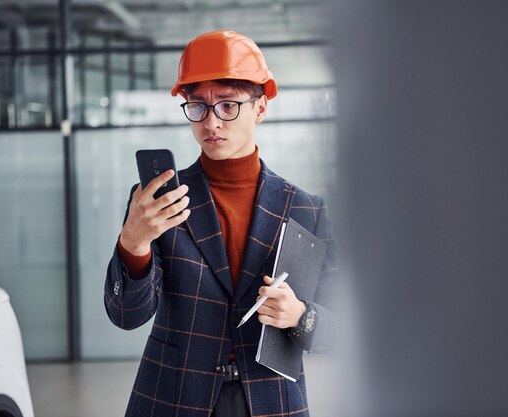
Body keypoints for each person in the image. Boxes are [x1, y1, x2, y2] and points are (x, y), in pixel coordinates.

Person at [104, 30, 337, 417]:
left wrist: (299, 315)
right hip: (174, 396)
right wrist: (133, 244)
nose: (211, 122)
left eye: (227, 106)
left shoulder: (305, 210)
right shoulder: (157, 201)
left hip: (272, 399)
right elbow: (127, 316)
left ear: (260, 108)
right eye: (198, 106)